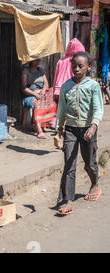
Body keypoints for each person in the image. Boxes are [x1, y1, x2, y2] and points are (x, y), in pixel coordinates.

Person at [56, 51, 104, 216]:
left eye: (80, 66)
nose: (76, 69)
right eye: (73, 66)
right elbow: (61, 108)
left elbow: (98, 108)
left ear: (88, 67)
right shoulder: (66, 86)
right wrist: (59, 127)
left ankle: (95, 183)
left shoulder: (93, 86)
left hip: (88, 129)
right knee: (69, 164)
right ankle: (69, 201)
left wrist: (93, 126)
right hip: (70, 129)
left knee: (89, 163)